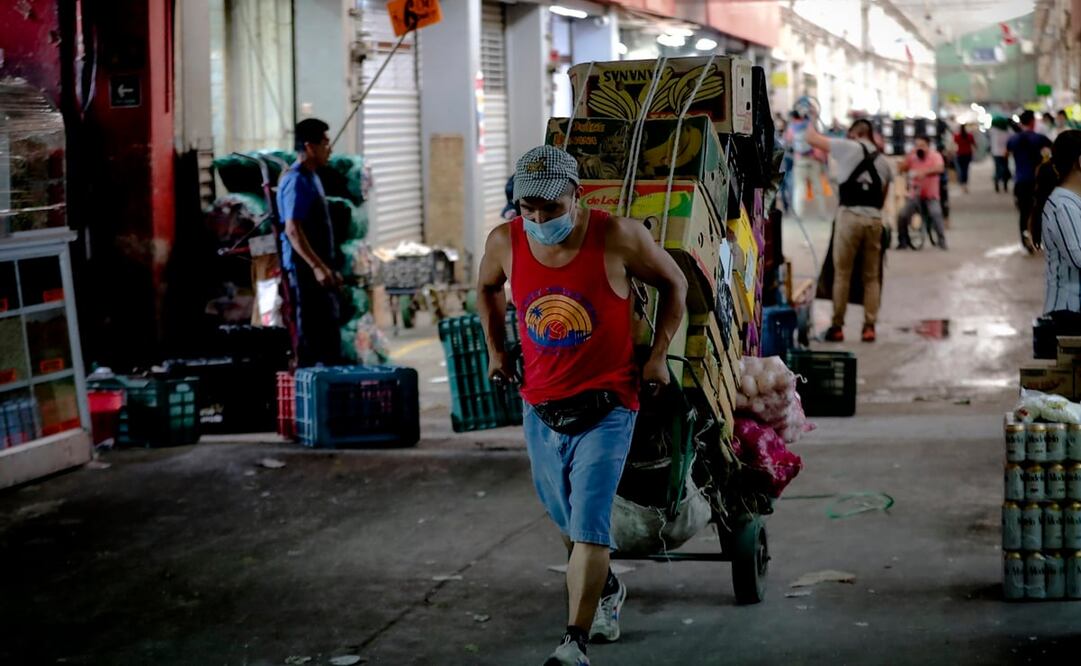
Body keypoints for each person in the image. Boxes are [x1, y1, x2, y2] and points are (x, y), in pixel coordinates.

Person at [476, 145, 687, 666]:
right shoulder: (505, 241)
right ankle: (608, 589)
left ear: (577, 194)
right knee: (567, 520)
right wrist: (496, 350)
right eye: (528, 208)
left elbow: (675, 283)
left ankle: (574, 642)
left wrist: (658, 357)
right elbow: (485, 288)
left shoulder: (618, 236)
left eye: (549, 207)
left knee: (590, 521)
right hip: (541, 407)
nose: (538, 219)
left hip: (610, 404)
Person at [805, 116, 892, 343]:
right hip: (874, 221)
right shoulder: (884, 162)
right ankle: (869, 328)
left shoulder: (848, 146)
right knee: (871, 277)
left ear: (854, 134)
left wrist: (810, 117)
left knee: (842, 274)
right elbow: (882, 199)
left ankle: (837, 327)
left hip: (849, 218)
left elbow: (811, 138)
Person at [278, 118, 343, 367]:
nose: (330, 148)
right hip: (304, 275)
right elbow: (293, 230)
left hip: (319, 274)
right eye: (325, 143)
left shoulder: (312, 177)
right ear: (309, 146)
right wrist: (317, 267)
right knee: (311, 340)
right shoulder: (296, 181)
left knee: (329, 339)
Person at [1008, 110, 1054, 251]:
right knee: (1039, 210)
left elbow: (1007, 154)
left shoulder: (1013, 139)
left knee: (1024, 212)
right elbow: (1052, 151)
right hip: (1038, 181)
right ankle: (1037, 240)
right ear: (1033, 122)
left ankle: (1025, 240)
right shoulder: (1040, 138)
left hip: (1020, 180)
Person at [897, 136, 948, 251]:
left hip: (931, 196)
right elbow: (902, 169)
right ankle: (903, 241)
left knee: (936, 214)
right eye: (917, 145)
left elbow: (940, 168)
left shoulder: (935, 156)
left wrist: (925, 172)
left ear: (928, 146)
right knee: (903, 215)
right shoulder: (912, 157)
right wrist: (907, 158)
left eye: (922, 146)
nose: (919, 148)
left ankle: (941, 240)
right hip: (915, 195)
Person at [787, 110, 829, 220]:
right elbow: (817, 140)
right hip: (813, 160)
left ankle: (798, 214)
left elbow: (788, 142)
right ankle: (822, 214)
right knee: (818, 188)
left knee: (799, 188)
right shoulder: (809, 125)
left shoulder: (792, 128)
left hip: (799, 160)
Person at [990, 118, 1013, 193]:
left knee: (999, 169)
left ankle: (997, 182)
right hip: (1004, 153)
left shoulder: (994, 130)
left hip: (997, 153)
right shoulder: (1007, 130)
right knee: (1004, 168)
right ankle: (1003, 185)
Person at [953, 124, 977, 193]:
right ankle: (965, 184)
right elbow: (974, 144)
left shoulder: (957, 136)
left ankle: (962, 183)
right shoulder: (969, 136)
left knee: (960, 170)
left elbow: (954, 143)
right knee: (965, 170)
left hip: (960, 155)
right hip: (967, 155)